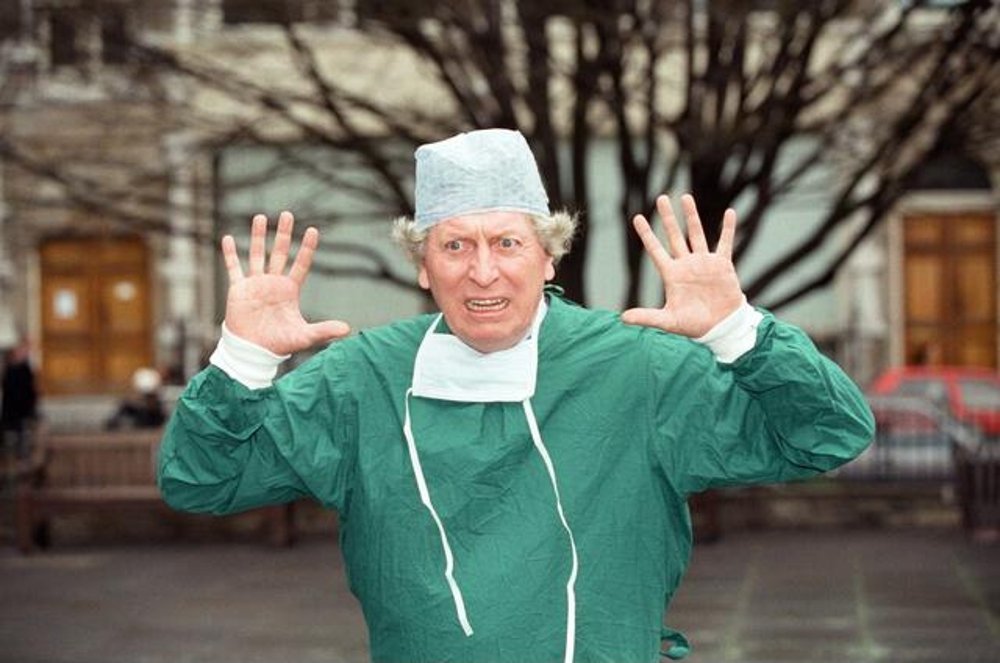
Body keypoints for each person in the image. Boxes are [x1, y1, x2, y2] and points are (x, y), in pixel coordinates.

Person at [158, 129, 874, 663]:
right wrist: (244, 356)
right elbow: (199, 480)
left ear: (549, 254)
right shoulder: (360, 380)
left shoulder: (636, 369)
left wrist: (738, 330)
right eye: (455, 246)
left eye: (507, 243)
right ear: (422, 267)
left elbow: (831, 432)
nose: (483, 273)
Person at [1, 338, 39, 460]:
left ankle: (21, 449)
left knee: (21, 429)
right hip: (14, 404)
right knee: (15, 428)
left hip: (22, 404)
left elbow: (30, 387)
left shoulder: (24, 367)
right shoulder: (12, 368)